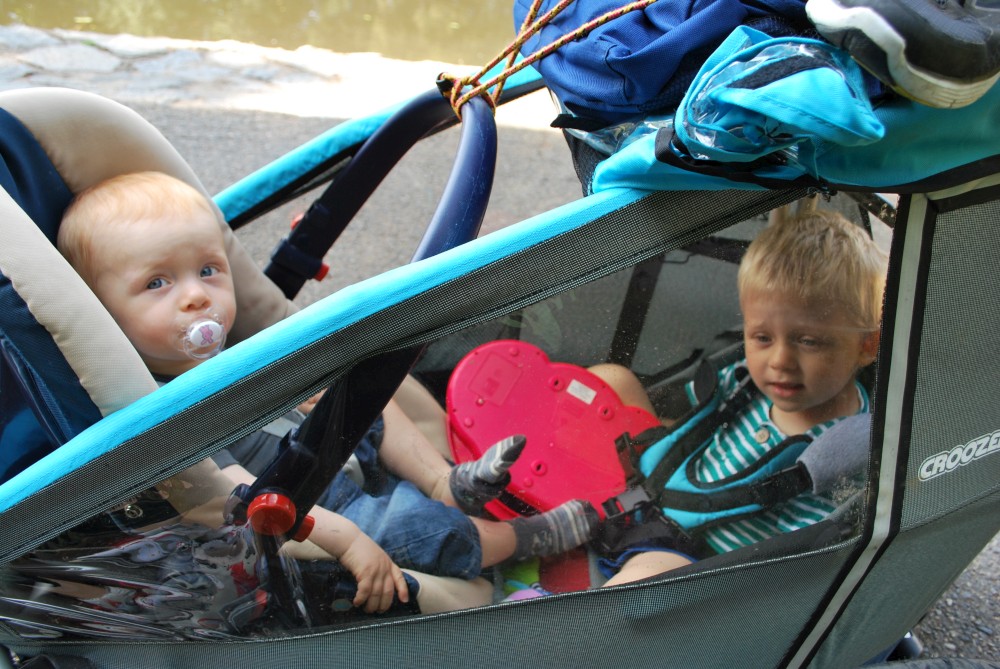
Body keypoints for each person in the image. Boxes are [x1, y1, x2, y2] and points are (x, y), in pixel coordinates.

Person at [56, 171, 599, 601]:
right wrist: (346, 539)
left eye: (208, 270)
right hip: (309, 507)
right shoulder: (163, 414)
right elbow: (237, 502)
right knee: (421, 529)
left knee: (367, 395)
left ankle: (444, 482)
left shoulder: (230, 353)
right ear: (103, 314)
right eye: (157, 282)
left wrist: (313, 399)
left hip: (328, 448)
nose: (197, 296)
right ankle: (522, 541)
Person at [589, 205, 888, 586]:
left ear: (866, 346)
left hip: (696, 556)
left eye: (809, 341)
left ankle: (588, 594)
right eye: (762, 337)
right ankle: (550, 491)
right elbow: (689, 426)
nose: (779, 361)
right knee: (611, 380)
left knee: (645, 577)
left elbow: (795, 556)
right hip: (656, 491)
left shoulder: (844, 452)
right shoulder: (745, 379)